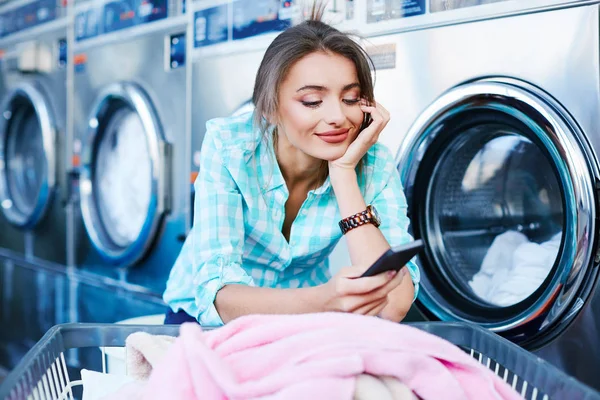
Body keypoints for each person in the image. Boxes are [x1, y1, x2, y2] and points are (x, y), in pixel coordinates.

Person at [163, 4, 420, 327]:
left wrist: (342, 173)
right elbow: (220, 296)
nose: (337, 117)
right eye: (312, 101)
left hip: (303, 319)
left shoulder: (372, 163)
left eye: (351, 98)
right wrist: (323, 300)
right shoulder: (230, 147)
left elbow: (392, 307)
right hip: (203, 319)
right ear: (270, 108)